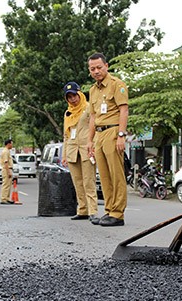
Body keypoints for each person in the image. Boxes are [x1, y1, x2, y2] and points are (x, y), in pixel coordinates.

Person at [87, 53, 129, 227]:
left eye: (99, 67)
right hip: (99, 134)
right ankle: (109, 210)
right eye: (92, 69)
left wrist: (121, 135)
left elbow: (124, 110)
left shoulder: (117, 84)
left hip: (112, 131)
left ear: (106, 66)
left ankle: (118, 213)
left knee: (116, 174)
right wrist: (89, 141)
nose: (96, 71)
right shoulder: (92, 90)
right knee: (103, 175)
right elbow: (92, 117)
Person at [61, 81, 98, 221]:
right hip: (72, 150)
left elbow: (94, 126)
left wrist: (93, 145)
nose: (73, 99)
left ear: (80, 94)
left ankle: (93, 211)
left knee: (89, 181)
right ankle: (82, 210)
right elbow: (66, 134)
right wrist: (64, 155)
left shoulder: (88, 108)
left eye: (74, 95)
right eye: (69, 97)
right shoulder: (68, 112)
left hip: (86, 148)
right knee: (77, 182)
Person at [0, 139, 14, 205]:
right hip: (6, 169)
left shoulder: (7, 151)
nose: (12, 145)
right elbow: (6, 162)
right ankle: (3, 199)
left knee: (8, 184)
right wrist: (8, 172)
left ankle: (7, 198)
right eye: (11, 143)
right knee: (6, 184)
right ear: (8, 144)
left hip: (8, 169)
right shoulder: (5, 151)